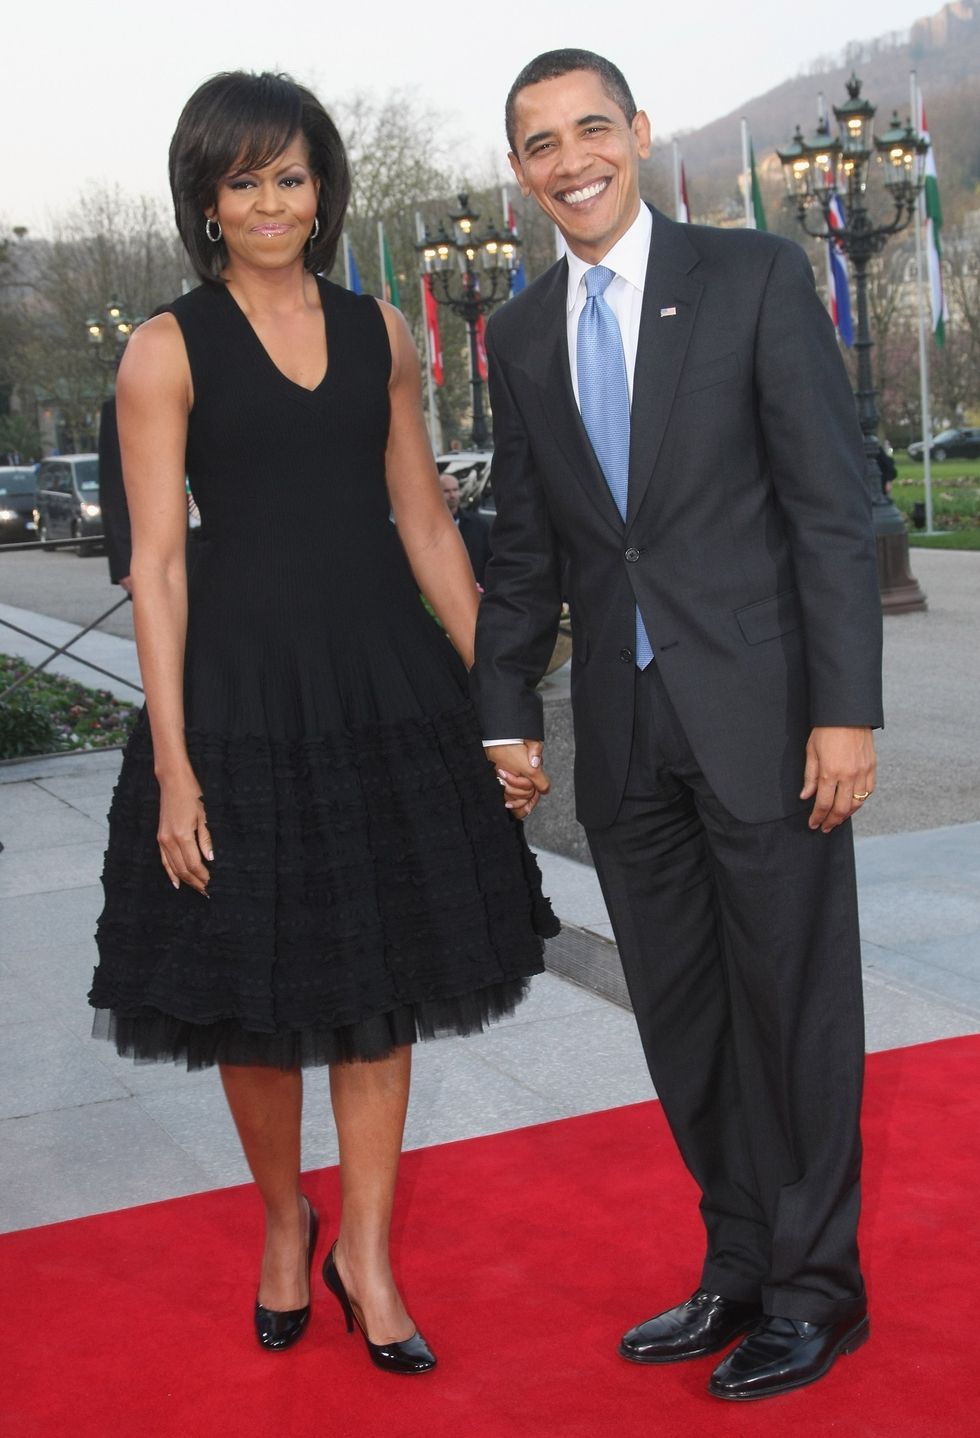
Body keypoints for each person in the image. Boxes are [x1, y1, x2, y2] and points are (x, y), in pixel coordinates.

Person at [88, 70, 556, 1373]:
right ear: (206, 200)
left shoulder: (380, 337)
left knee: (382, 983)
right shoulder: (164, 349)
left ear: (323, 188)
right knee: (252, 995)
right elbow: (160, 568)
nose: (272, 201)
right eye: (244, 180)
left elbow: (426, 525)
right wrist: (176, 764)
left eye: (291, 175)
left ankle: (369, 1250)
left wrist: (501, 700)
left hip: (383, 690)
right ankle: (286, 1222)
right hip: (237, 703)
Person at [472, 50, 882, 1402]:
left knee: (791, 1012)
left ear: (638, 135)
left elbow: (830, 510)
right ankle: (742, 1261)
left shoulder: (753, 280)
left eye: (593, 127)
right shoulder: (521, 335)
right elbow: (527, 548)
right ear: (521, 169)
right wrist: (504, 705)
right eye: (541, 141)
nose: (571, 156)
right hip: (628, 737)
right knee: (687, 1022)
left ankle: (820, 1290)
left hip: (767, 724)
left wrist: (843, 711)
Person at [440, 470, 493, 585]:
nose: (452, 495)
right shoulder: (429, 527)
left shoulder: (478, 525)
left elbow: (490, 558)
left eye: (455, 490)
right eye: (446, 491)